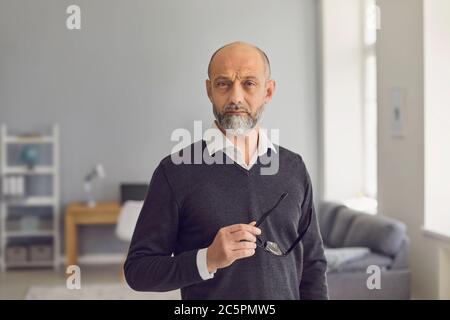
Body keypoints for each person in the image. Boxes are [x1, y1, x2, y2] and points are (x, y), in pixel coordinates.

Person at [124, 41, 328, 300]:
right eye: (223, 84)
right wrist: (206, 260)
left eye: (249, 84)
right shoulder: (174, 172)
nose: (235, 97)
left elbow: (313, 264)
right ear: (209, 90)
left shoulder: (294, 168)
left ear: (268, 91)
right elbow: (138, 271)